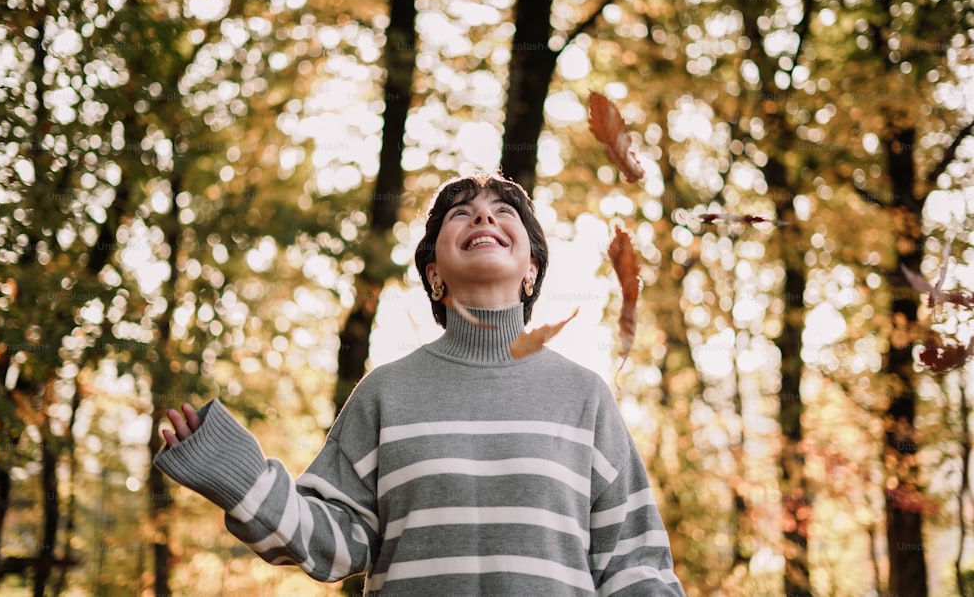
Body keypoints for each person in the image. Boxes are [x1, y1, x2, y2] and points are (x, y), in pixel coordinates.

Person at [157, 171, 686, 596]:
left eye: (504, 212)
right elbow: (337, 544)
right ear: (434, 272)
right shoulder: (386, 393)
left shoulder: (584, 396)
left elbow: (635, 563)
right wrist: (244, 482)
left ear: (531, 267)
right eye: (462, 213)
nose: (483, 214)